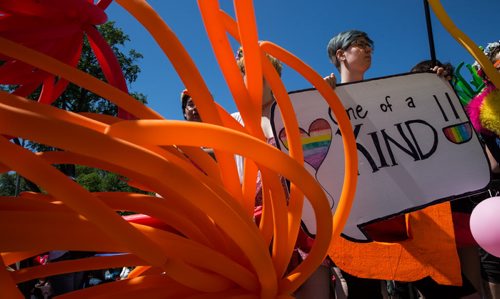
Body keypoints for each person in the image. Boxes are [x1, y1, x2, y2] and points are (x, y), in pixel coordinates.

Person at [234, 45, 333, 299]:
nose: (257, 80)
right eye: (250, 73)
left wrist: (329, 96)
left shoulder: (296, 112)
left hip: (302, 219)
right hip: (256, 225)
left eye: (264, 75)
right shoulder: (234, 121)